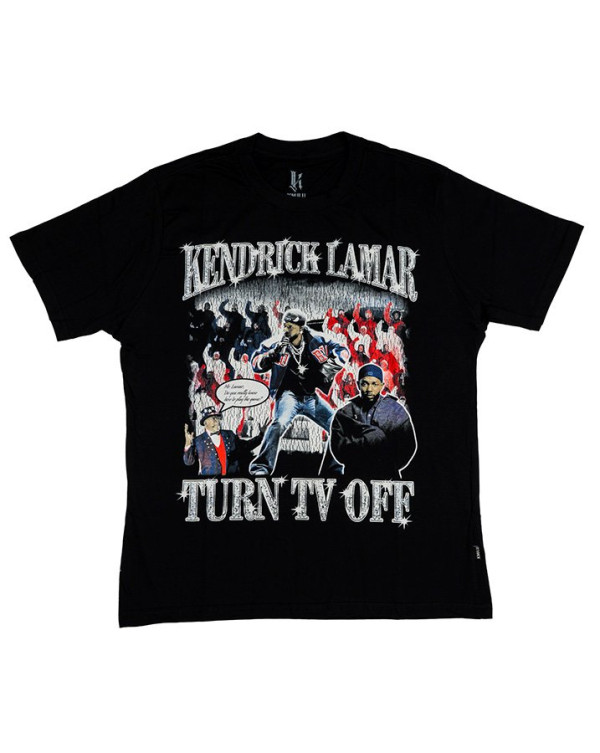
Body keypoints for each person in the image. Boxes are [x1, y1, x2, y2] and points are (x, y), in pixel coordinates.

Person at [249, 308, 349, 475]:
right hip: (288, 396)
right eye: (285, 325)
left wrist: (326, 370)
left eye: (290, 326)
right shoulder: (276, 343)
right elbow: (255, 364)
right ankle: (261, 467)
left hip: (310, 398)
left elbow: (343, 351)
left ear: (301, 328)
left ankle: (333, 470)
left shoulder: (317, 339)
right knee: (279, 424)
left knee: (338, 427)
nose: (286, 329)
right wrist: (271, 355)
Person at [330, 363, 417, 478]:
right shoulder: (345, 412)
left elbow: (407, 447)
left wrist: (386, 465)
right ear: (358, 384)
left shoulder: (395, 410)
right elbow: (338, 448)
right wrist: (372, 438)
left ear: (382, 385)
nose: (369, 389)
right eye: (364, 384)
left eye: (374, 384)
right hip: (355, 478)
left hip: (387, 478)